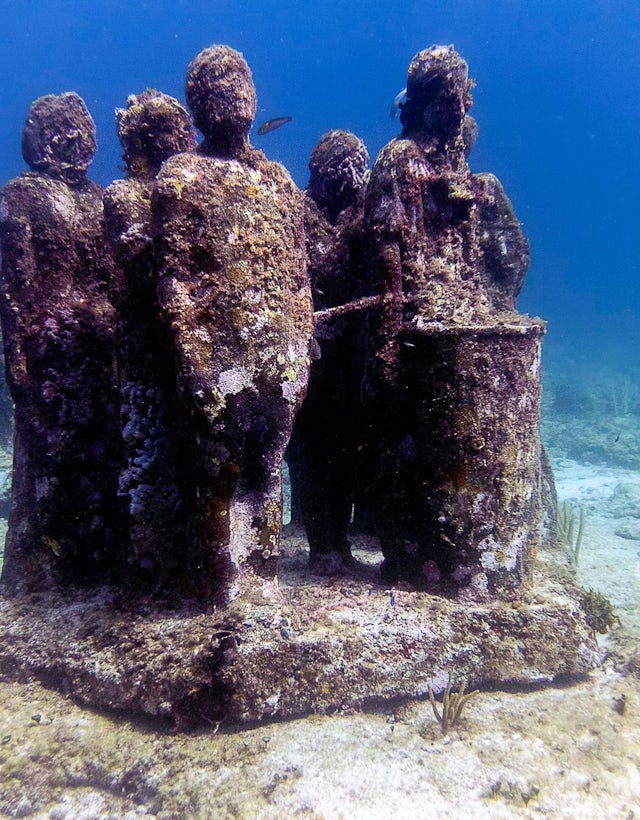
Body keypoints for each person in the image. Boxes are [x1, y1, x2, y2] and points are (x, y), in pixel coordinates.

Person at [151, 45, 313, 604]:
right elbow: (175, 278)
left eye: (238, 77)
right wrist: (193, 356)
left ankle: (264, 579)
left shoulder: (280, 182)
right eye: (214, 82)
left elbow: (298, 272)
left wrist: (302, 342)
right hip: (217, 359)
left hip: (279, 354)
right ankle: (223, 588)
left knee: (270, 471)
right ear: (196, 104)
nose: (229, 90)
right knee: (220, 471)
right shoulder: (181, 176)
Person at [0, 93, 122, 591]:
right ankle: (44, 570)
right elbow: (13, 287)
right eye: (60, 130)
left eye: (79, 129)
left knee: (101, 458)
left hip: (99, 352)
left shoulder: (99, 199)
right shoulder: (21, 196)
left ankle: (98, 559)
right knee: (51, 461)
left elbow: (112, 275)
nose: (72, 139)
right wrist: (18, 361)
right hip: (49, 352)